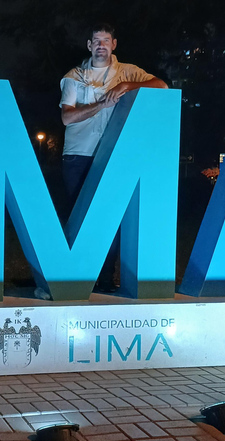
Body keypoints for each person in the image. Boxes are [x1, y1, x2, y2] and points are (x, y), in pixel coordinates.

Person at [58, 23, 167, 294]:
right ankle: (75, 277)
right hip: (78, 155)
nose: (101, 45)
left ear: (114, 44)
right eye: (96, 41)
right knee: (78, 219)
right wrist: (100, 105)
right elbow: (67, 117)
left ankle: (104, 279)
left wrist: (130, 85)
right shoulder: (74, 76)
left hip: (111, 157)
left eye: (106, 40)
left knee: (110, 220)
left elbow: (162, 86)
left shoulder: (126, 71)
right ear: (89, 45)